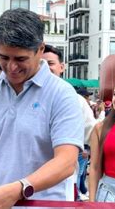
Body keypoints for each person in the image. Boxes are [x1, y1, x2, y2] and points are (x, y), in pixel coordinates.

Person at [0, 9, 83, 208]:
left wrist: (20, 189)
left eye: (20, 59)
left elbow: (66, 162)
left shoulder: (61, 94)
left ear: (40, 49)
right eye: (4, 58)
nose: (11, 67)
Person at [42, 44, 97, 201]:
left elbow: (93, 135)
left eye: (50, 63)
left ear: (62, 67)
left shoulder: (75, 101)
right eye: (41, 63)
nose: (46, 68)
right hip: (25, 186)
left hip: (62, 186)